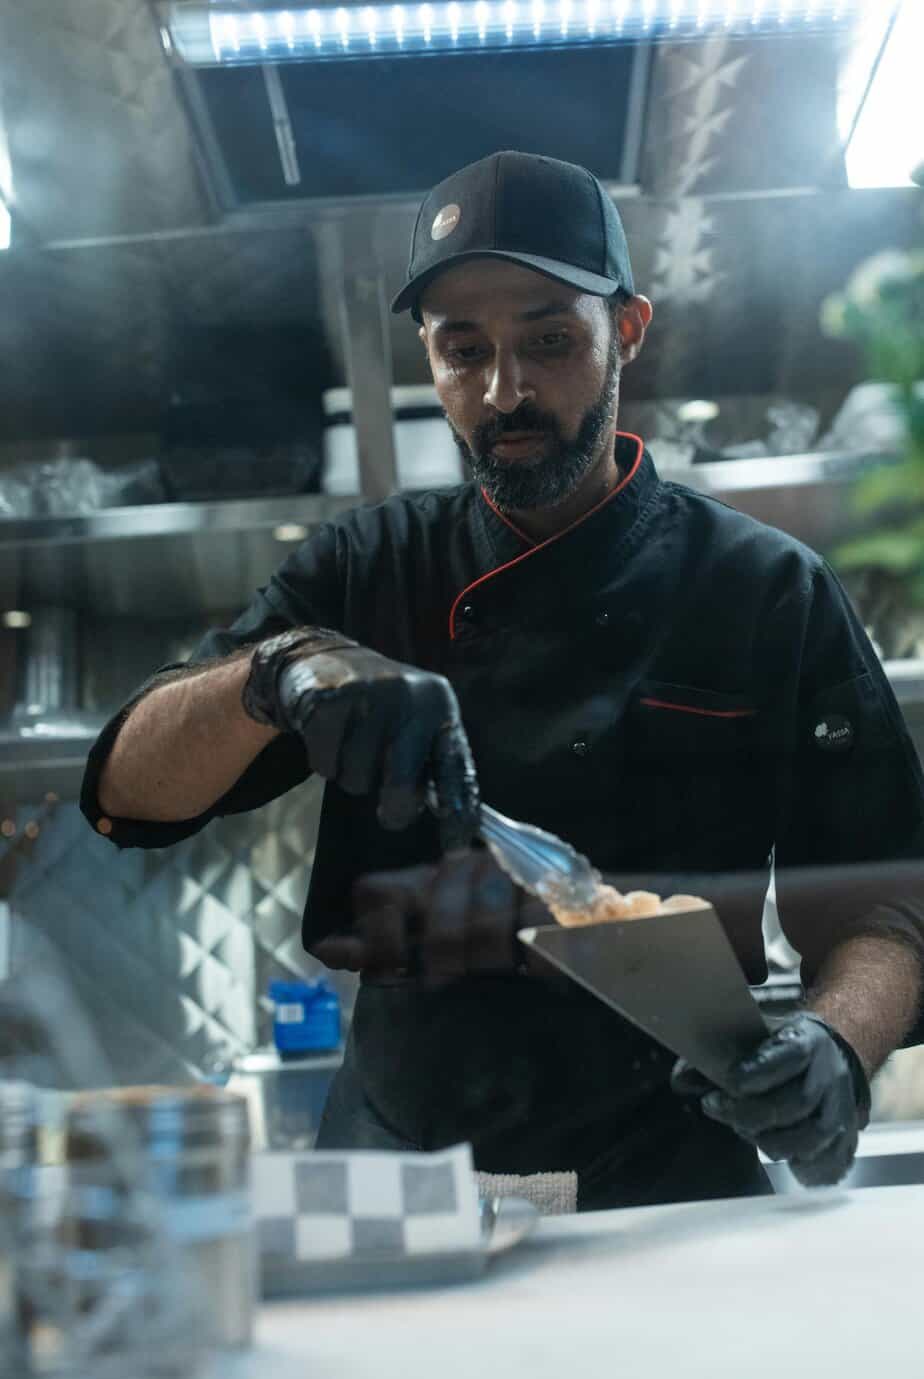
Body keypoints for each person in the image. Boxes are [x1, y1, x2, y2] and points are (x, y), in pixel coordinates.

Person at [81, 150, 924, 1210]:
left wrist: (837, 1045)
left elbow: (888, 906)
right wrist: (280, 671)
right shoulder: (362, 569)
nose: (505, 391)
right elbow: (125, 794)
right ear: (426, 358)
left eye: (548, 340)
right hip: (399, 1170)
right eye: (462, 350)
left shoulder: (764, 591)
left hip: (669, 1170)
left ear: (627, 330)